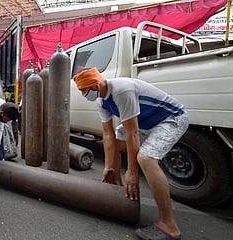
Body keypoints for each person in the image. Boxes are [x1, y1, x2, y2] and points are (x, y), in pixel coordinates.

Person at [73, 67, 188, 240]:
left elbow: (132, 133)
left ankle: (169, 225)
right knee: (114, 147)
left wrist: (132, 171)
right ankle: (118, 192)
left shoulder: (121, 90)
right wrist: (109, 167)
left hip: (171, 119)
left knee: (145, 159)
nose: (83, 95)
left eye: (83, 90)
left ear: (94, 84)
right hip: (145, 122)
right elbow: (108, 135)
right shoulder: (101, 101)